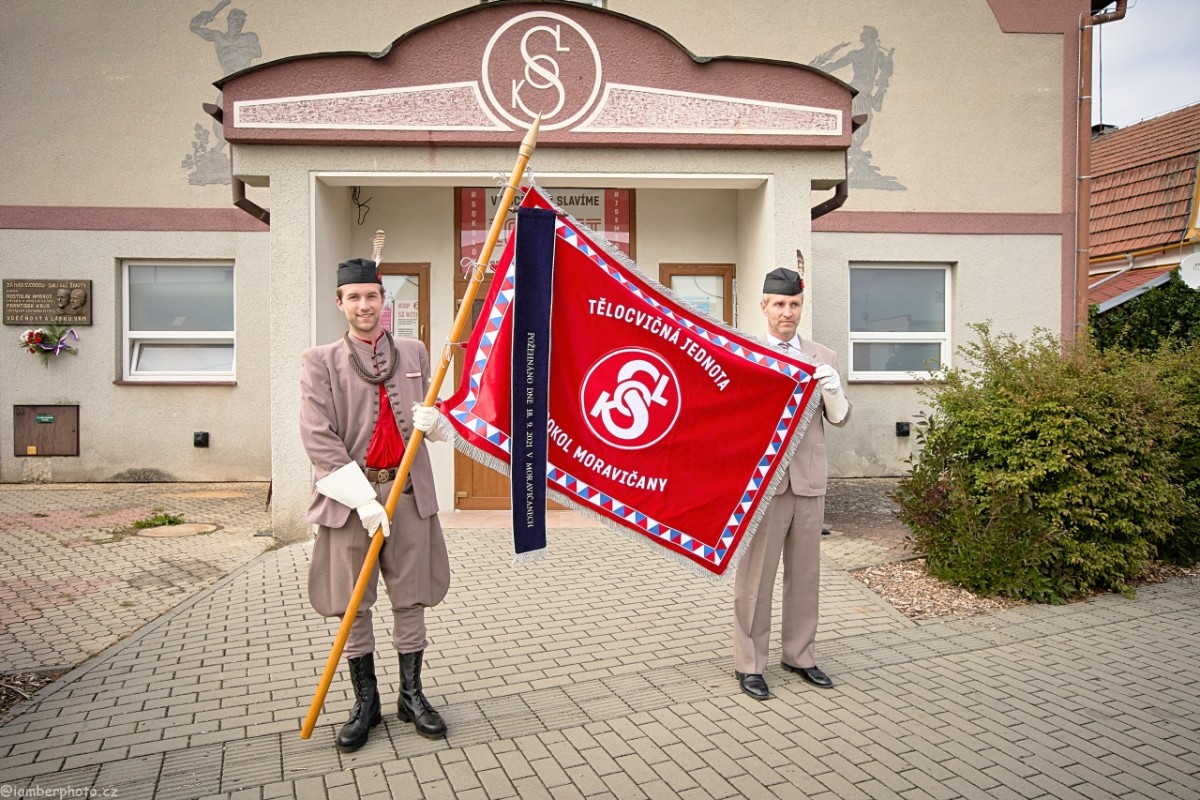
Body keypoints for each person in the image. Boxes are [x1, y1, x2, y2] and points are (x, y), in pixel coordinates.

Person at [299, 257, 451, 751]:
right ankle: (366, 702)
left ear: (384, 302)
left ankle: (412, 696)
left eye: (372, 296)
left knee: (411, 598)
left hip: (407, 492)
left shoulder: (414, 350)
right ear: (340, 303)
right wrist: (363, 499)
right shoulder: (319, 360)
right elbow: (318, 439)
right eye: (354, 297)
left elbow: (433, 419)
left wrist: (438, 424)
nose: (365, 306)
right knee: (353, 604)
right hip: (351, 499)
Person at [733, 267, 851, 700]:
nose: (787, 312)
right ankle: (750, 663)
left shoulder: (825, 356)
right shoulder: (745, 353)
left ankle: (800, 655)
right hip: (764, 485)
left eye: (794, 304)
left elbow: (838, 419)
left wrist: (834, 390)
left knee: (805, 577)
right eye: (779, 304)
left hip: (808, 481)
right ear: (764, 306)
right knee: (756, 579)